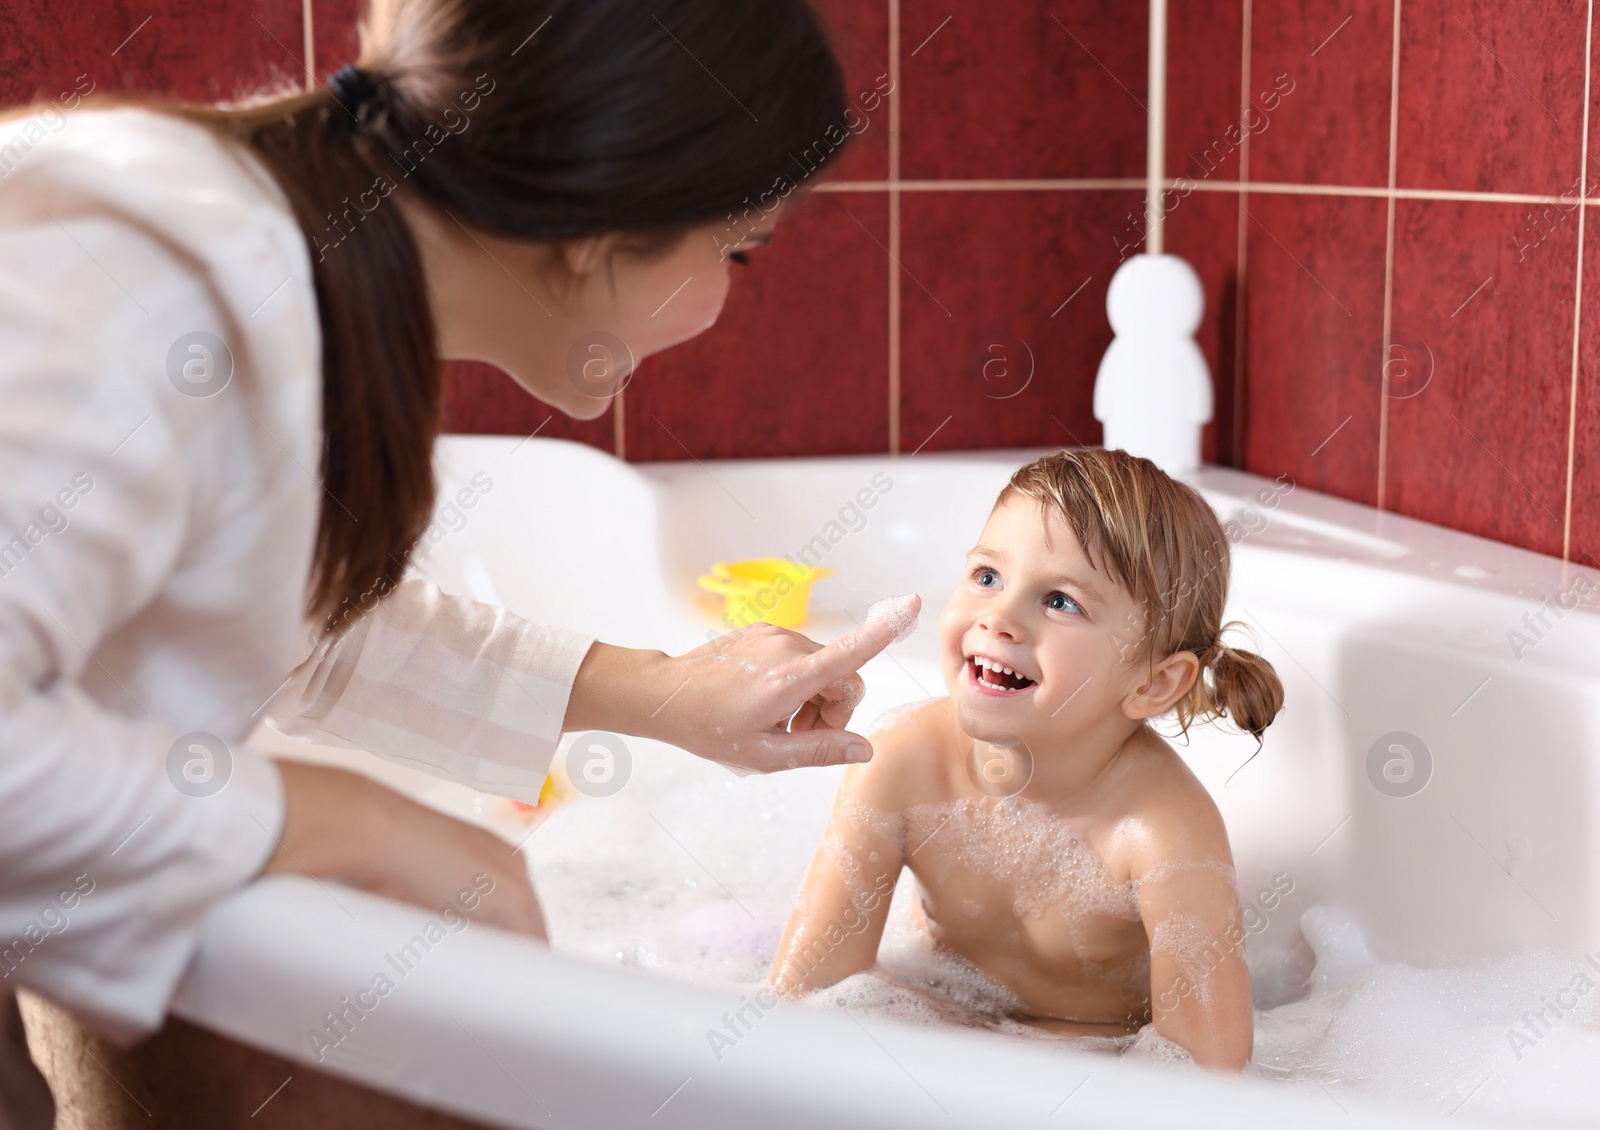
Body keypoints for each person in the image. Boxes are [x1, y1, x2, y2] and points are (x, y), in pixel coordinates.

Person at [0, 0, 897, 1123]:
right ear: (601, 228)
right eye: (737, 249)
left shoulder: (281, 272)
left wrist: (661, 693)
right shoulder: (144, 288)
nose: (723, 297)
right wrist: (376, 826)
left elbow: (280, 624)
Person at [769, 448, 1285, 1071]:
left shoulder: (1163, 830)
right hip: (927, 1037)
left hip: (1091, 1067)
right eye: (987, 577)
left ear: (1152, 683)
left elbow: (1208, 1072)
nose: (1000, 617)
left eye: (1061, 601)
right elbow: (806, 997)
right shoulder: (903, 761)